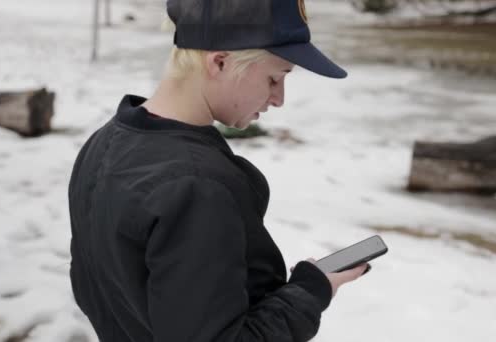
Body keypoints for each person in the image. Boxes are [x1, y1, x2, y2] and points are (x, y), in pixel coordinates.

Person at [68, 0, 369, 341]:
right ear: (221, 62)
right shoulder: (196, 187)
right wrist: (311, 291)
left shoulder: (105, 142)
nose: (279, 98)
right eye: (274, 78)